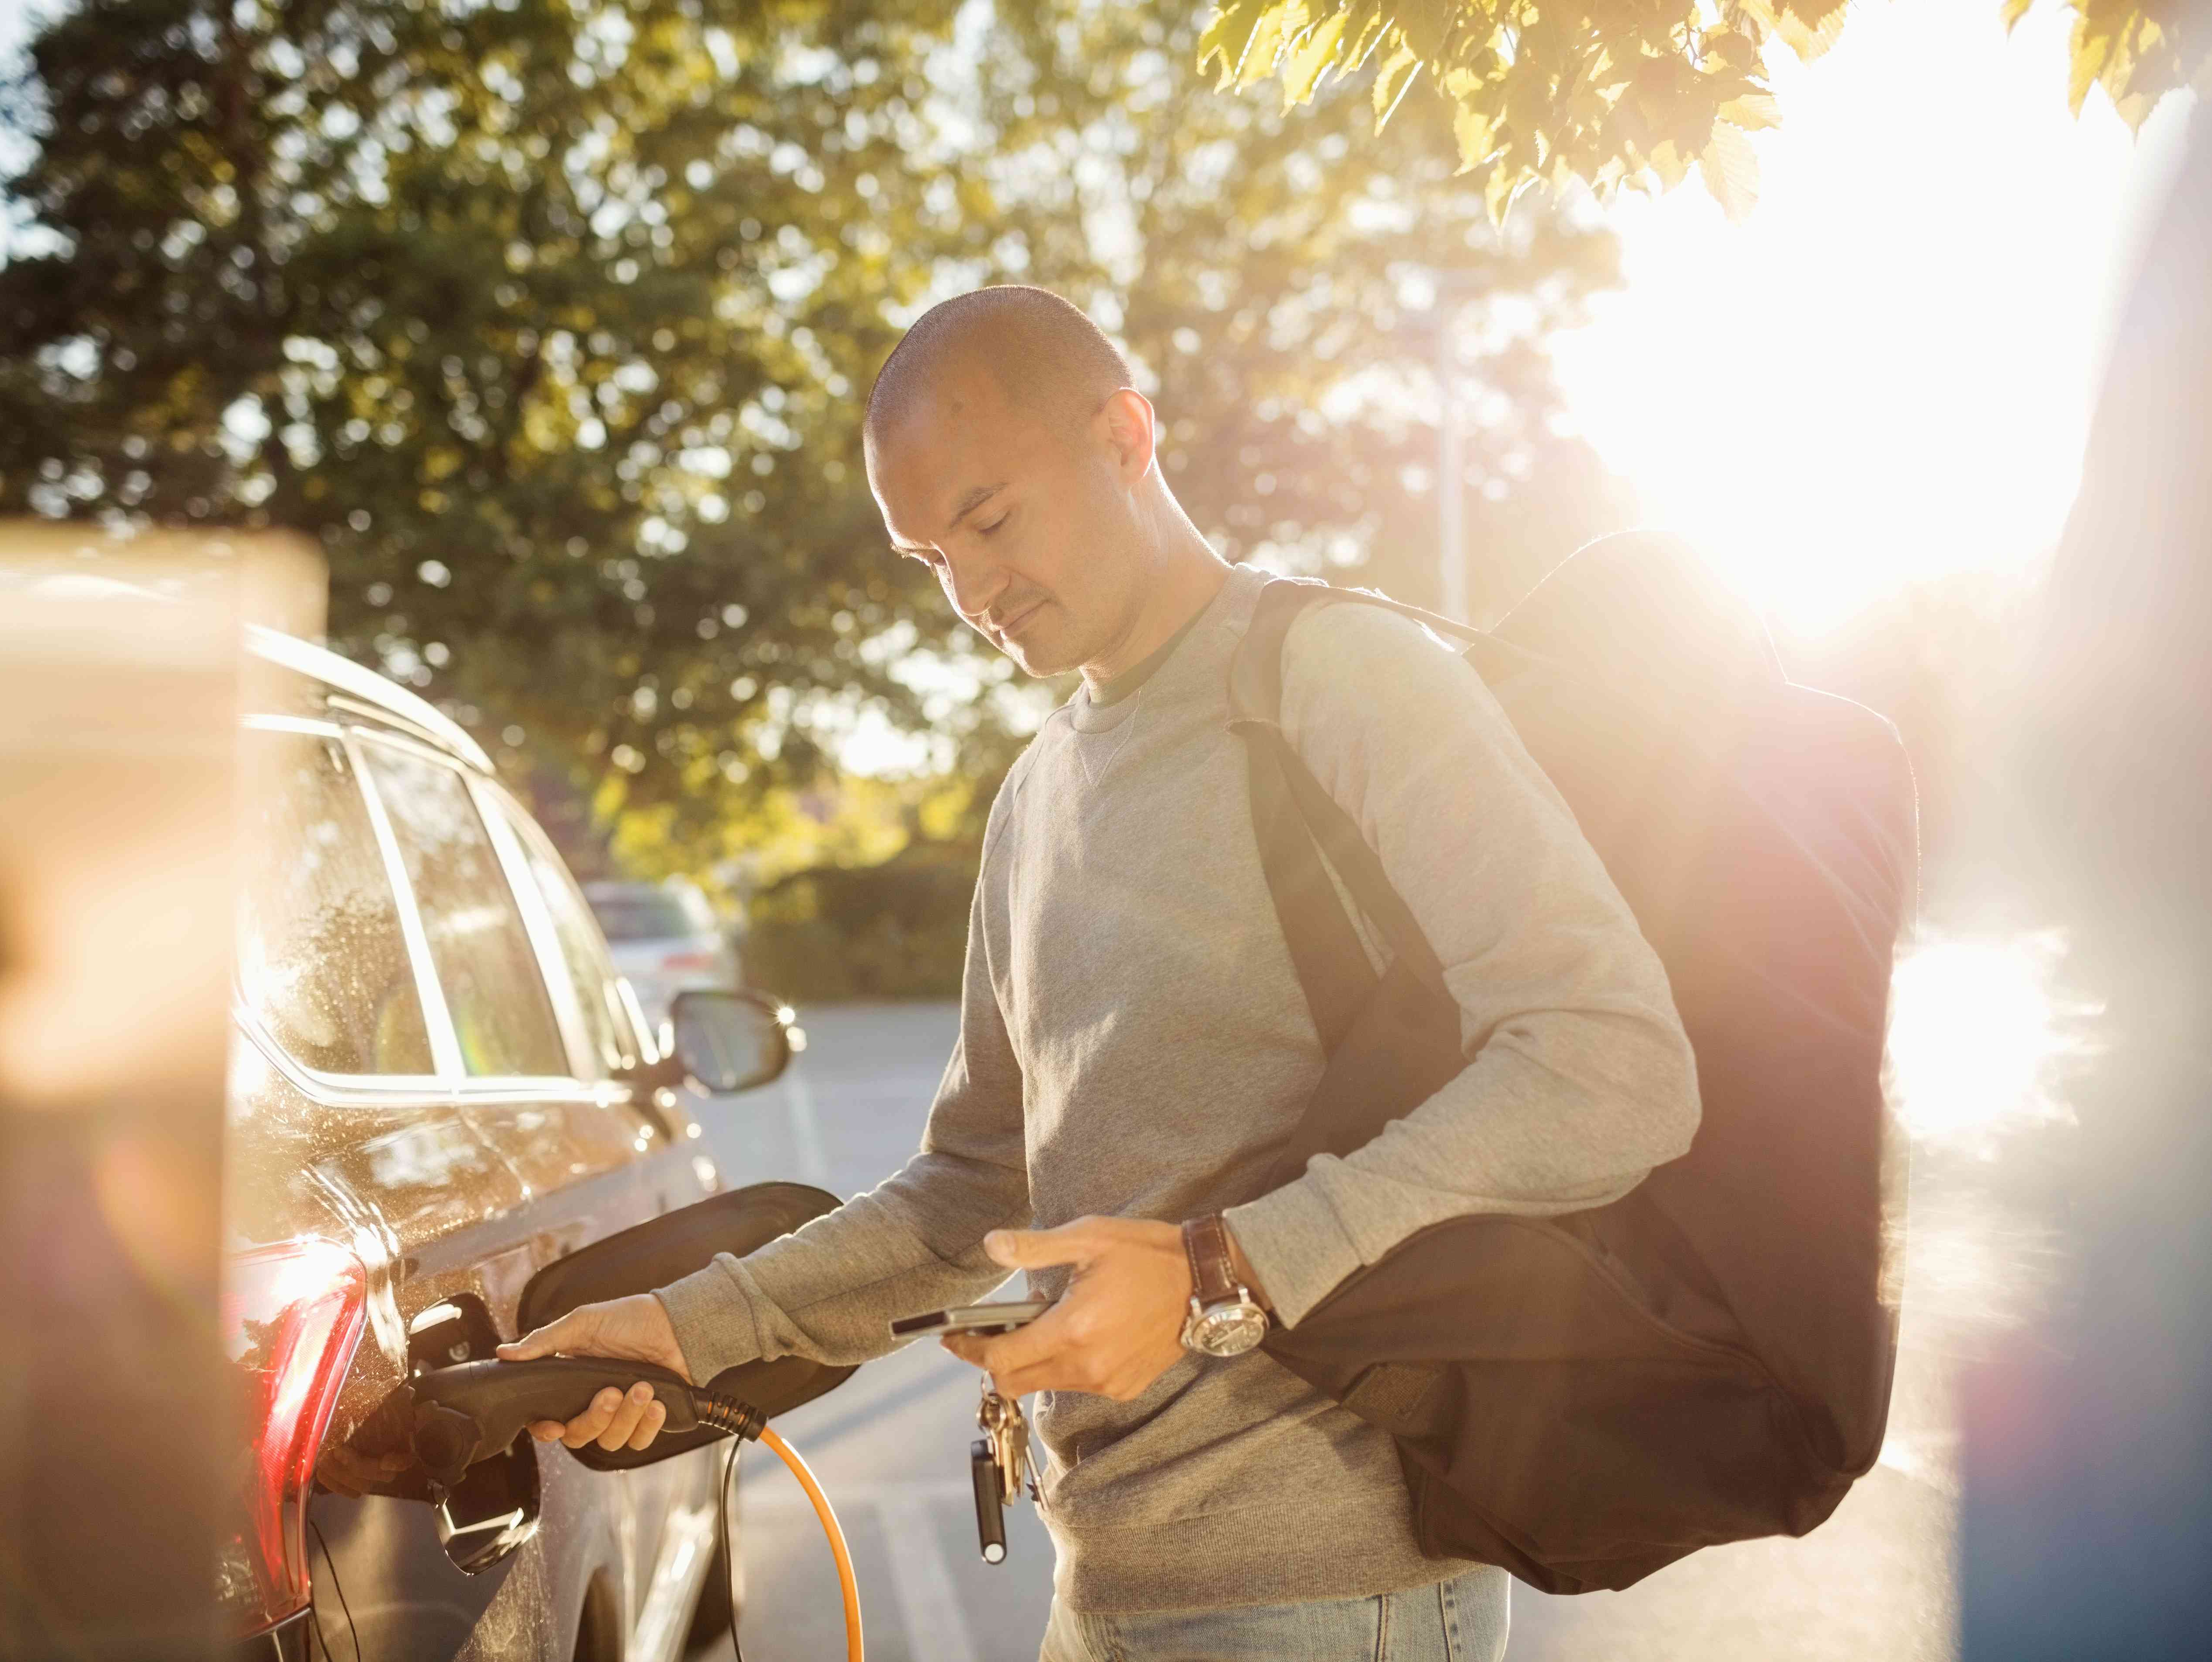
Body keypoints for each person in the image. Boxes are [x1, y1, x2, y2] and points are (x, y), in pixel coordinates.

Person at [500, 285, 1700, 1661]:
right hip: (1104, 1585)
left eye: (991, 520)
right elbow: (975, 1189)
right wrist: (678, 1328)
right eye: (926, 559)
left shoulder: (1339, 677)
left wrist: (1218, 1265)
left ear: (1125, 437)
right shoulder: (1036, 794)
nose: (970, 593)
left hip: (1331, 1594)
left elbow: (1611, 1066)